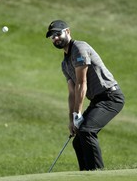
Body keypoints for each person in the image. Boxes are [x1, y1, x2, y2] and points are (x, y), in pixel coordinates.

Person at [45, 20, 125, 171]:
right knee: (78, 140)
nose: (55, 38)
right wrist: (71, 120)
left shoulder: (79, 48)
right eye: (52, 37)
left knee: (87, 131)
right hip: (97, 100)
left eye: (58, 34)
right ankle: (85, 176)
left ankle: (97, 175)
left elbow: (82, 83)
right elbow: (72, 93)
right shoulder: (64, 64)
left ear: (67, 32)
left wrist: (78, 113)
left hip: (111, 97)